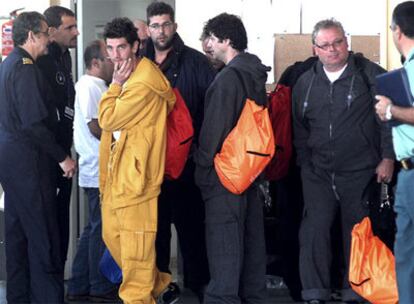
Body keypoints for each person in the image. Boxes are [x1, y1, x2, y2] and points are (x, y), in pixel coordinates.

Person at [292, 19, 395, 304]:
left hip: (361, 170)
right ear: (315, 50)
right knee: (313, 231)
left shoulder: (372, 76)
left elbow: (388, 121)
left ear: (346, 43)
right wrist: (305, 163)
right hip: (318, 173)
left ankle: (356, 291)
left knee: (357, 232)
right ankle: (315, 294)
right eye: (325, 45)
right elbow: (299, 128)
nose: (332, 50)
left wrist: (387, 158)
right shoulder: (305, 82)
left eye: (337, 42)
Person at [98, 17, 176, 304]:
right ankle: (160, 286)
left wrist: (114, 86)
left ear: (135, 46)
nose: (116, 55)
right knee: (114, 238)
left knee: (136, 254)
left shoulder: (142, 81)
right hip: (119, 178)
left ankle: (145, 295)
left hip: (137, 179)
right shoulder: (129, 76)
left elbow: (107, 119)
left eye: (121, 48)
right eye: (110, 49)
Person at [0, 11, 76, 303]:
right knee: (44, 239)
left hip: (11, 165)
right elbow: (33, 123)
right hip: (31, 165)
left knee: (17, 238)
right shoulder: (27, 69)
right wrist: (62, 158)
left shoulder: (7, 64)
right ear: (31, 36)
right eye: (45, 33)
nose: (48, 39)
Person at [194, 13, 268, 304]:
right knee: (250, 245)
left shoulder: (227, 79)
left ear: (226, 40)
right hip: (249, 172)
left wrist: (201, 168)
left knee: (223, 244)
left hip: (225, 176)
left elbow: (214, 131)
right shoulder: (254, 74)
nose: (208, 46)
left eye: (211, 39)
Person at [143, 2, 215, 302]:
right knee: (153, 232)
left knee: (191, 230)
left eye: (166, 24)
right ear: (148, 29)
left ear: (175, 25)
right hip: (149, 163)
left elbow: (211, 113)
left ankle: (196, 288)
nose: (161, 31)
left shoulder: (197, 63)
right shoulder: (139, 61)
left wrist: (199, 152)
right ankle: (160, 287)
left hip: (187, 163)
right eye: (156, 25)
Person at [66, 40, 117, 303]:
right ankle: (98, 285)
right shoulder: (88, 86)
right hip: (96, 170)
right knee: (101, 229)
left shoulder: (99, 86)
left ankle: (78, 284)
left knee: (94, 228)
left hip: (98, 170)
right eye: (109, 59)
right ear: (96, 63)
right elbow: (96, 126)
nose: (114, 62)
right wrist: (122, 141)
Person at [375, 2, 414, 303]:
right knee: (406, 251)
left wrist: (391, 109)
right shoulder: (404, 69)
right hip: (406, 171)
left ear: (397, 30)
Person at [36, 5, 79, 267]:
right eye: (69, 28)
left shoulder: (66, 57)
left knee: (63, 217)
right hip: (49, 155)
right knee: (49, 221)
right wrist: (59, 155)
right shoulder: (41, 61)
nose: (76, 32)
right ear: (51, 32)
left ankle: (58, 273)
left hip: (66, 150)